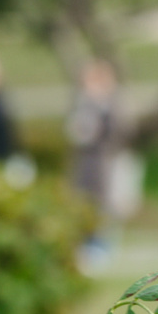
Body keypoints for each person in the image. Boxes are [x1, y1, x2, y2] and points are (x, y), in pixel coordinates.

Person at [68, 58, 121, 269]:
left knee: (102, 206)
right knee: (83, 203)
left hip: (103, 162)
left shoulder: (110, 104)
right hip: (85, 163)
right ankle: (85, 245)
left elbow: (118, 132)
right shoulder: (81, 102)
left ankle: (101, 247)